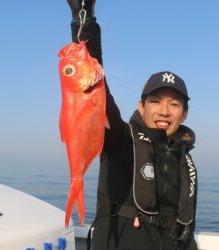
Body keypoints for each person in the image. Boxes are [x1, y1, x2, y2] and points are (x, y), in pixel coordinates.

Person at [66, 1, 198, 249]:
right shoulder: (120, 140)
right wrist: (83, 20)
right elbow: (93, 85)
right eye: (156, 101)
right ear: (141, 106)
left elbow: (185, 230)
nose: (164, 111)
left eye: (174, 105)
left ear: (185, 114)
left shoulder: (184, 158)